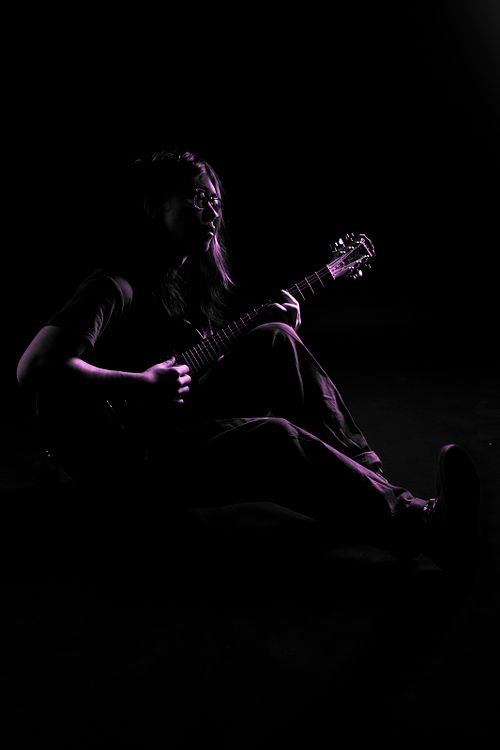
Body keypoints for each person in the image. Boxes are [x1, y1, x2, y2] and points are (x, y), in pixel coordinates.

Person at [16, 149, 480, 578]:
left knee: (275, 337)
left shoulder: (183, 283)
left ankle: (372, 482)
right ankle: (425, 528)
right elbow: (34, 367)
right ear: (154, 205)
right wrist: (140, 383)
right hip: (122, 460)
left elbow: (191, 371)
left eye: (215, 201)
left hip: (164, 428)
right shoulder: (116, 285)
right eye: (196, 197)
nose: (212, 212)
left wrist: (261, 325)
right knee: (273, 437)